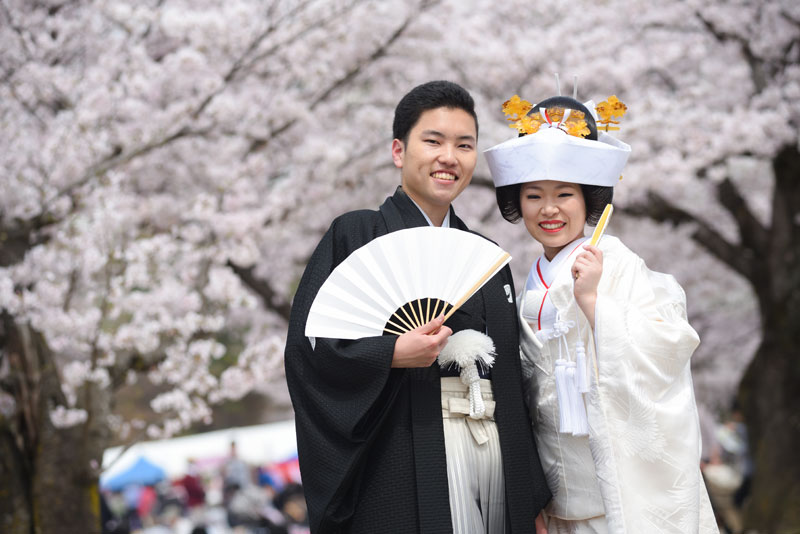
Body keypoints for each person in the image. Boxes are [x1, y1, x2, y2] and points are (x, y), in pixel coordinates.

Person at [284, 80, 550, 533]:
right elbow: (308, 356)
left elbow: (513, 384)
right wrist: (388, 355)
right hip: (402, 460)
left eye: (464, 145)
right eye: (433, 141)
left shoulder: (486, 259)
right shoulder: (355, 235)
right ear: (398, 151)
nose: (450, 157)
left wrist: (529, 496)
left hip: (494, 460)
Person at [484, 90, 718, 533]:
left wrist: (594, 303)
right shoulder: (529, 276)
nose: (548, 209)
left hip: (614, 482)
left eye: (564, 195)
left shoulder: (615, 260)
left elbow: (669, 346)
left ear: (589, 200)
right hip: (556, 485)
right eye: (533, 196)